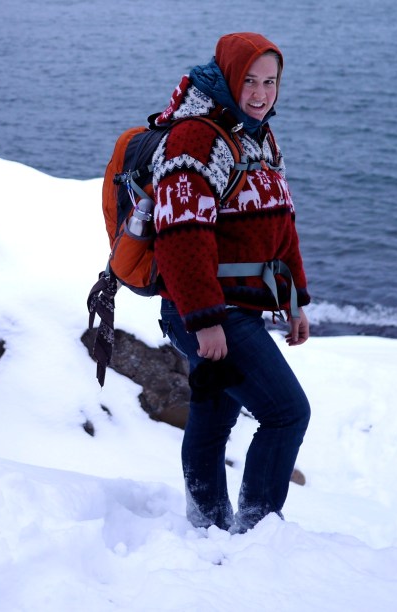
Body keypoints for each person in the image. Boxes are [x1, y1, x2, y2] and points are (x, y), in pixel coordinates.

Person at [152, 31, 311, 534]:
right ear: (228, 78)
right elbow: (182, 234)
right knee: (287, 412)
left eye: (271, 81)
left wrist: (294, 301)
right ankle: (259, 531)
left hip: (236, 309)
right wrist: (205, 321)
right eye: (249, 81)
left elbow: (281, 224)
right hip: (204, 311)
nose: (261, 93)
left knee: (215, 418)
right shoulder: (197, 138)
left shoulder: (258, 135)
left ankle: (207, 526)